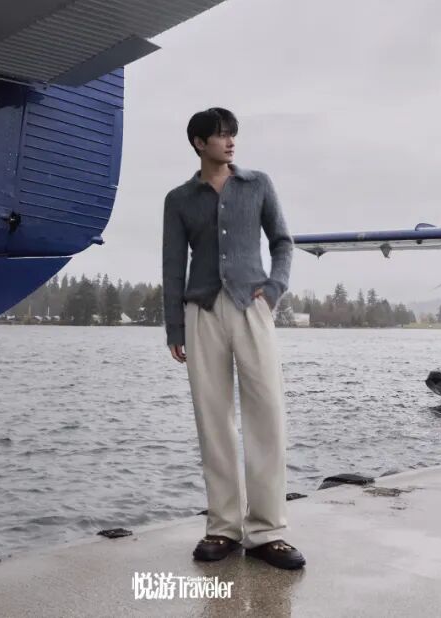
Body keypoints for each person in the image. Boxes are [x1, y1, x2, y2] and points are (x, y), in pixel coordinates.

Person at [161, 107, 304, 570]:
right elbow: (172, 266)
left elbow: (282, 241)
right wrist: (174, 326)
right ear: (199, 143)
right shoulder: (179, 199)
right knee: (213, 419)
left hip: (252, 306)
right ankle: (223, 527)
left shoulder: (258, 184)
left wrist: (275, 288)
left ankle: (268, 531)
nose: (230, 141)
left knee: (267, 413)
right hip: (201, 311)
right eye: (221, 135)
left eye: (232, 134)